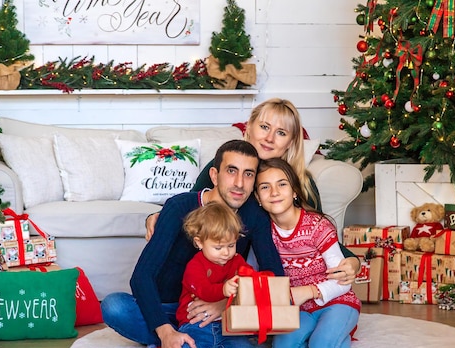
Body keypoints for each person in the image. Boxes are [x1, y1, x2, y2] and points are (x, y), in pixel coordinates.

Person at [101, 140, 284, 348]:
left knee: (251, 323)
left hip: (216, 312)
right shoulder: (179, 206)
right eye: (231, 171)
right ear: (215, 175)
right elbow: (141, 276)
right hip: (167, 308)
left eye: (248, 174)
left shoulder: (254, 216)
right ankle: (178, 338)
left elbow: (274, 275)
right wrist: (165, 331)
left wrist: (225, 305)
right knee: (114, 306)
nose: (239, 183)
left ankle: (200, 339)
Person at [145, 97, 361, 279]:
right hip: (223, 268)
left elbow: (317, 231)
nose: (269, 138)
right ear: (249, 127)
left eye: (281, 133)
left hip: (284, 273)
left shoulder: (301, 183)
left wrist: (351, 259)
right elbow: (192, 206)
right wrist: (159, 215)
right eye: (265, 127)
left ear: (291, 142)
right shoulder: (221, 167)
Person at [255, 158, 361, 348]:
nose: (274, 192)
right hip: (300, 308)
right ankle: (318, 331)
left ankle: (337, 331)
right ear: (258, 197)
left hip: (335, 300)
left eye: (282, 184)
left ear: (295, 191)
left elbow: (342, 282)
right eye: (265, 187)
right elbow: (253, 270)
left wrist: (309, 291)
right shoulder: (263, 231)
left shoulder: (317, 226)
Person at [175, 202, 256, 348]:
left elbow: (250, 279)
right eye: (218, 247)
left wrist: (250, 280)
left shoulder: (237, 260)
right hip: (196, 325)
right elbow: (204, 291)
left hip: (227, 327)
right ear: (199, 243)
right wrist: (224, 289)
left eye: (231, 245)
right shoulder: (195, 266)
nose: (226, 253)